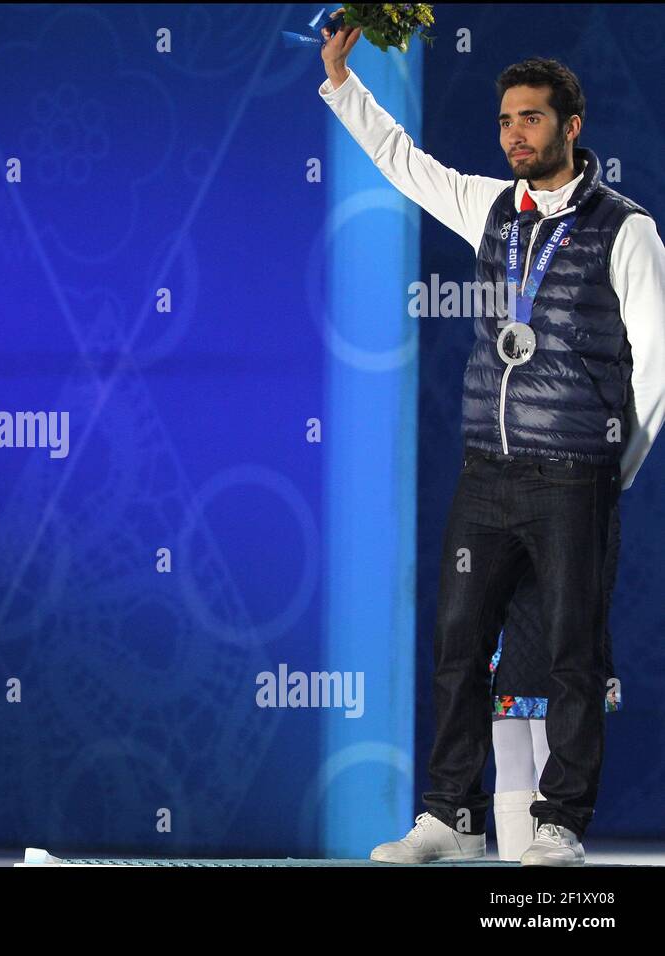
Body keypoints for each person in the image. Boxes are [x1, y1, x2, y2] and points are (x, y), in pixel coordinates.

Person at [317, 16, 665, 865]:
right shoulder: (489, 208)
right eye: (506, 119)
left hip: (573, 476)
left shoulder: (626, 229)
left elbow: (656, 365)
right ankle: (452, 817)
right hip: (487, 472)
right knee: (457, 645)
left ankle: (559, 824)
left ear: (572, 127)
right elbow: (404, 162)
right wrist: (339, 81)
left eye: (532, 118)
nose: (514, 133)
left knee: (574, 656)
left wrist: (610, 471)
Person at [489, 497, 621, 860]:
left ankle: (551, 846)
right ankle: (516, 859)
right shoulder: (497, 494)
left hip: (558, 643)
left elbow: (596, 594)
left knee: (550, 747)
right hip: (510, 638)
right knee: (511, 752)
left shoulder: (591, 500)